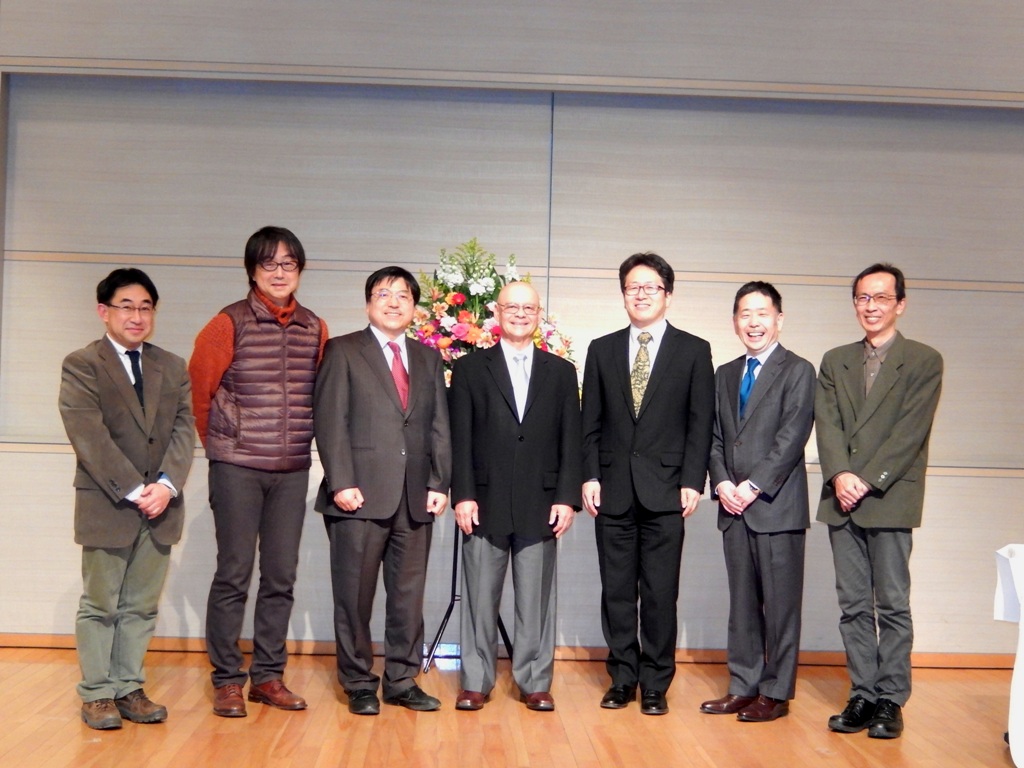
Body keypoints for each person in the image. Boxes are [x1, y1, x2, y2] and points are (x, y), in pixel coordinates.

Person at [189, 226, 328, 717]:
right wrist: (223, 449)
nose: (278, 272)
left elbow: (322, 400)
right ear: (252, 270)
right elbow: (199, 394)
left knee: (281, 576)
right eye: (268, 264)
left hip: (291, 468)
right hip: (237, 467)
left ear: (300, 270)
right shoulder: (227, 323)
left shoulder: (315, 327)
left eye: (288, 263)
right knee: (233, 574)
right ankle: (227, 678)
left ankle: (267, 676)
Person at [59, 268, 195, 730]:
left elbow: (183, 430)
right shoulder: (82, 364)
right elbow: (88, 435)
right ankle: (96, 693)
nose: (137, 316)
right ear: (104, 311)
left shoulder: (172, 366)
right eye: (126, 306)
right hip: (108, 503)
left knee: (140, 605)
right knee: (100, 603)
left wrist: (167, 486)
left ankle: (128, 687)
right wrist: (137, 490)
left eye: (145, 307)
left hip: (161, 505)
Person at [313, 266, 452, 715]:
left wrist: (439, 482)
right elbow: (329, 420)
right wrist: (341, 482)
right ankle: (357, 682)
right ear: (368, 303)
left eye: (403, 295)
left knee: (408, 597)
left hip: (414, 498)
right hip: (358, 497)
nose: (394, 302)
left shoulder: (428, 358)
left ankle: (401, 680)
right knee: (354, 596)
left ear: (415, 305)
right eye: (383, 294)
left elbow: (437, 426)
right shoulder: (343, 350)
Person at [581, 252, 715, 715]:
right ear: (622, 295)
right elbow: (590, 421)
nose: (641, 294)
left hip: (666, 492)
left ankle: (656, 682)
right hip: (613, 490)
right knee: (616, 591)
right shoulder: (601, 348)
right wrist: (590, 475)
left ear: (668, 295)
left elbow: (700, 422)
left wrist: (693, 481)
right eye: (632, 287)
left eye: (650, 287)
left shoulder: (694, 350)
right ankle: (622, 677)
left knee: (660, 593)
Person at [816, 263, 943, 740]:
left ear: (900, 304)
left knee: (891, 604)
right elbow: (826, 426)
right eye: (862, 298)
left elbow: (910, 432)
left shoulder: (924, 360)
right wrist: (840, 475)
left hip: (888, 496)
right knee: (852, 605)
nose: (871, 307)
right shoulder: (834, 360)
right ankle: (862, 694)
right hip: (841, 497)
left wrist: (866, 479)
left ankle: (891, 698)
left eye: (881, 298)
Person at [449, 281, 582, 713]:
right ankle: (475, 680)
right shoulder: (470, 369)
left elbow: (570, 441)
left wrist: (566, 498)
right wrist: (462, 495)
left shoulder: (561, 372)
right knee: (479, 600)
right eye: (512, 307)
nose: (520, 314)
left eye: (529, 307)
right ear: (497, 312)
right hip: (482, 502)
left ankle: (534, 681)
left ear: (539, 314)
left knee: (535, 602)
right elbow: (460, 439)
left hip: (541, 503)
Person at [700, 281, 815, 723]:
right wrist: (723, 484)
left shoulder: (799, 370)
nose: (753, 322)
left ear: (779, 319)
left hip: (776, 508)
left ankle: (776, 692)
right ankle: (743, 685)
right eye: (745, 314)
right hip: (733, 509)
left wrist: (752, 487)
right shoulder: (725, 374)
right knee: (742, 605)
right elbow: (714, 438)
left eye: (762, 313)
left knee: (781, 606)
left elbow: (791, 438)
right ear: (734, 322)